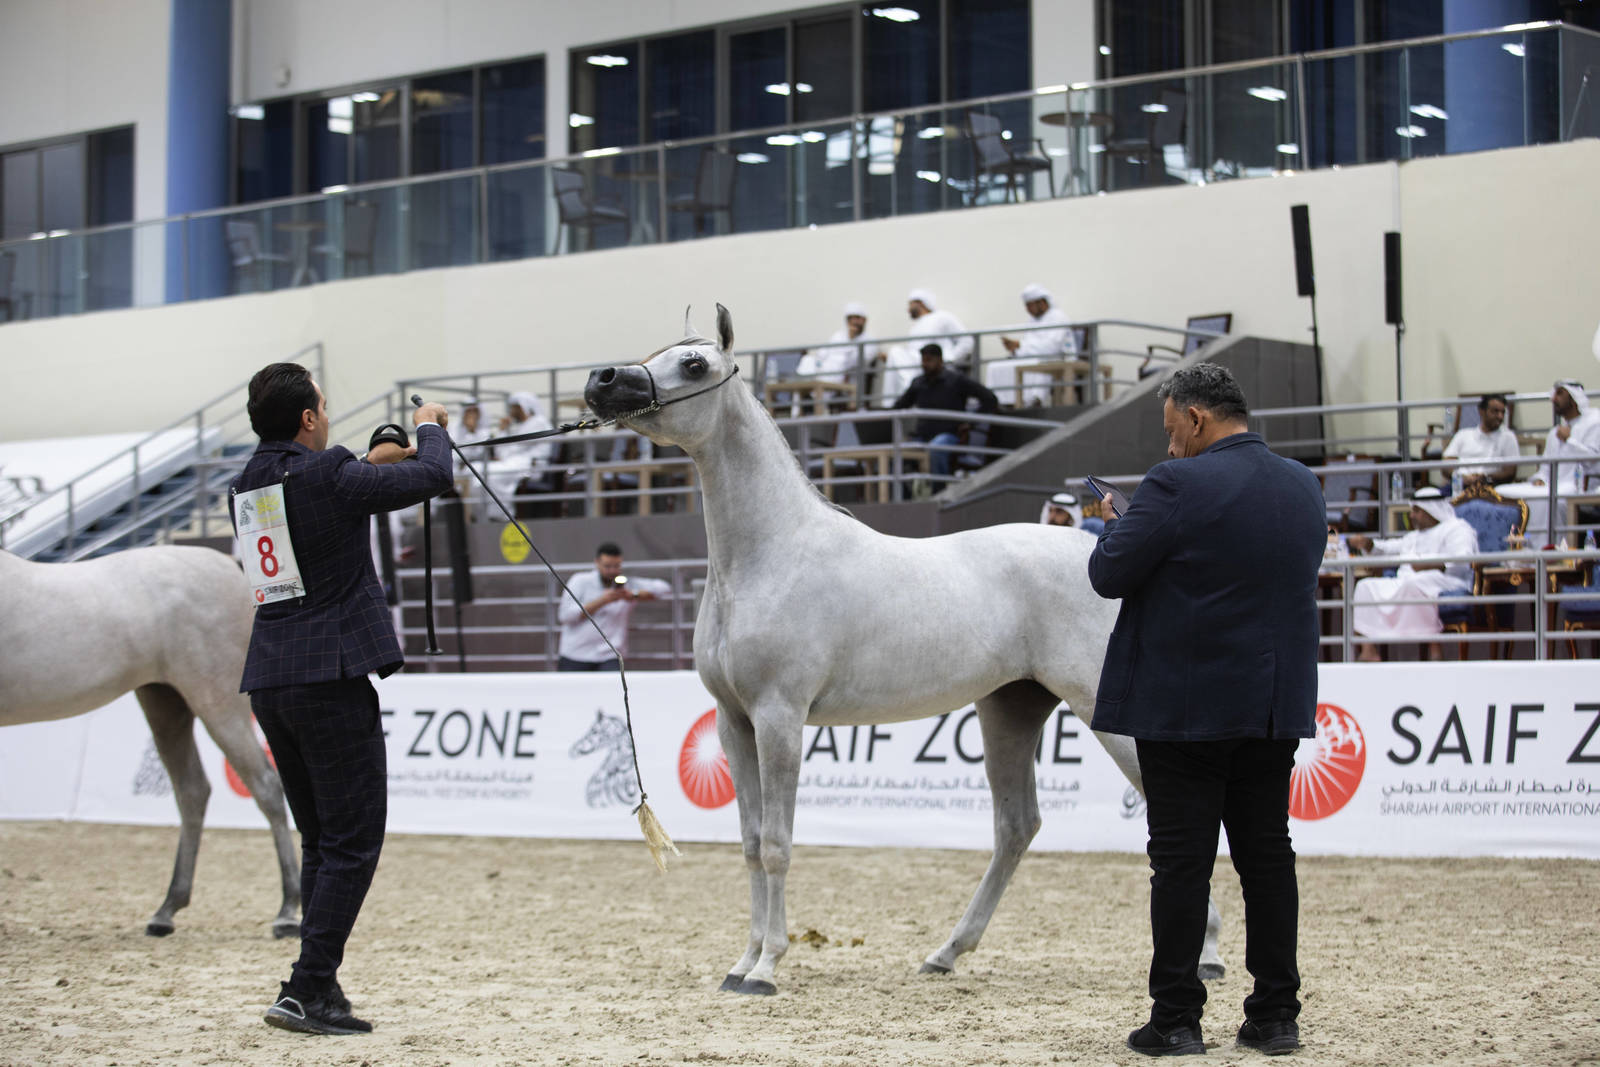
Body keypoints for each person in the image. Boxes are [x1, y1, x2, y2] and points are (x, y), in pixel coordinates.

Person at [1086, 362, 1324, 1058]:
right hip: (1271, 705)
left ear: (1196, 418)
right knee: (1268, 858)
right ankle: (1275, 1015)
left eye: (1171, 431)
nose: (1169, 446)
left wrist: (1115, 525)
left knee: (1182, 865)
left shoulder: (1174, 484)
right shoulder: (1303, 484)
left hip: (1185, 709)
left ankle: (1176, 1019)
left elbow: (1109, 574)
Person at [232, 363, 452, 1036]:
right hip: (329, 675)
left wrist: (366, 464)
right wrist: (429, 427)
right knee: (353, 840)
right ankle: (306, 988)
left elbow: (318, 501)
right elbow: (433, 475)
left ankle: (316, 984)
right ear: (307, 418)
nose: (326, 415)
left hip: (271, 675)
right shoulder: (329, 473)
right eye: (323, 407)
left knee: (323, 839)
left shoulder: (247, 483)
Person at [1346, 486, 1479, 662]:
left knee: (1416, 584)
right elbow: (1389, 549)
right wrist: (1368, 544)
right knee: (1365, 586)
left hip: (1448, 581)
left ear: (1431, 510)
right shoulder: (1414, 536)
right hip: (1408, 580)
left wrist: (1429, 565)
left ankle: (1435, 649)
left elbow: (1463, 559)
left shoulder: (1457, 528)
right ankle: (1368, 650)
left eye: (1416, 511)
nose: (1412, 516)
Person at [1497, 380, 1600, 542]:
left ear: (1574, 398)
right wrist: (1540, 478)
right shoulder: (1555, 433)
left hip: (1580, 486)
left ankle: (1551, 549)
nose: (1553, 399)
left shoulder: (1595, 422)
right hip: (1552, 484)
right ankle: (1516, 547)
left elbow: (1595, 462)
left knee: (1549, 500)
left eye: (1559, 394)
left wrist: (1570, 441)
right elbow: (1546, 467)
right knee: (1503, 492)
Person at [892, 343, 999, 484]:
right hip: (922, 437)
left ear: (940, 360)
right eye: (923, 360)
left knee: (936, 449)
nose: (925, 364)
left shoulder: (956, 380)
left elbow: (989, 398)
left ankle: (939, 490)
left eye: (929, 360)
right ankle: (905, 493)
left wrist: (971, 422)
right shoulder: (918, 383)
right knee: (897, 451)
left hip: (949, 435)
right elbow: (900, 405)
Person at [556, 542, 672, 670]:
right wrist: (602, 600)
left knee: (615, 682)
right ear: (597, 563)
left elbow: (664, 589)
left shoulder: (627, 584)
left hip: (610, 655)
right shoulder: (580, 581)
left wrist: (633, 595)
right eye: (607, 566)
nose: (612, 571)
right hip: (576, 654)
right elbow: (565, 616)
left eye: (616, 566)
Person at [986, 283, 1077, 407]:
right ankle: (999, 403)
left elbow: (1052, 347)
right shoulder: (1033, 321)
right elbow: (1028, 344)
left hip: (1055, 358)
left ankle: (1034, 402)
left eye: (1030, 305)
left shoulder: (1058, 317)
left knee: (1037, 365)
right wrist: (1015, 349)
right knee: (995, 367)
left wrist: (1020, 345)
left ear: (1041, 303)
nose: (1027, 309)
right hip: (1034, 357)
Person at [878, 289, 973, 404]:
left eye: (910, 304)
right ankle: (895, 401)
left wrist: (949, 359)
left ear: (920, 303)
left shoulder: (942, 317)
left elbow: (966, 341)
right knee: (895, 353)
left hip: (937, 367)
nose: (908, 309)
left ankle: (910, 395)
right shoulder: (915, 328)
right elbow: (913, 353)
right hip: (919, 367)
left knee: (895, 351)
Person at [1440, 393, 1520, 488]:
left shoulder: (1508, 437)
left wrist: (1485, 478)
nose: (1500, 416)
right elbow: (1446, 466)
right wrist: (1462, 478)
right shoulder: (1463, 435)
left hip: (1490, 488)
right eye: (1495, 411)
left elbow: (1510, 473)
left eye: (1502, 412)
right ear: (1481, 411)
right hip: (1460, 486)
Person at [798, 302, 879, 391]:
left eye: (857, 318)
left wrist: (851, 339)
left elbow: (854, 362)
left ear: (864, 320)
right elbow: (822, 354)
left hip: (848, 378)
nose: (853, 322)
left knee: (832, 371)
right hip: (825, 371)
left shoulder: (870, 341)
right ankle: (802, 391)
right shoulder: (838, 335)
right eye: (850, 318)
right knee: (807, 360)